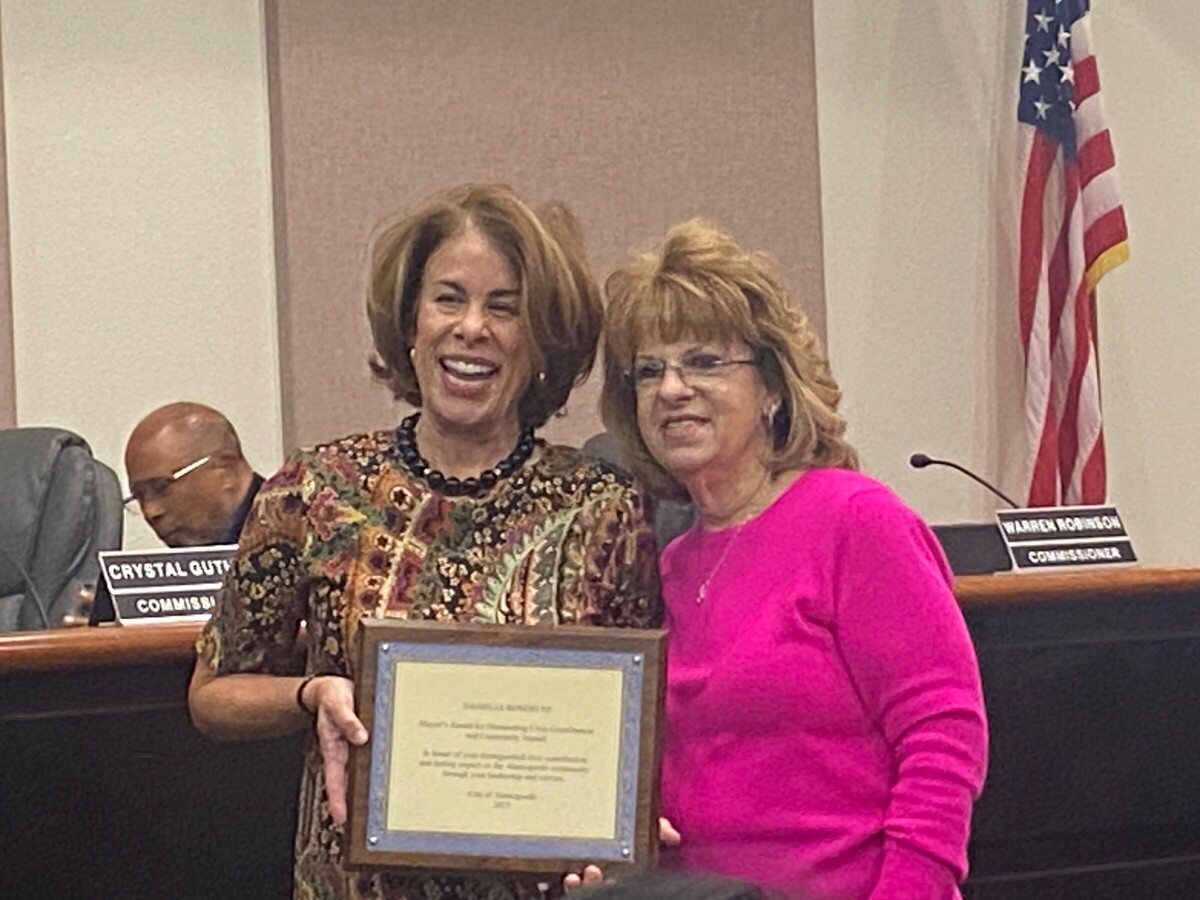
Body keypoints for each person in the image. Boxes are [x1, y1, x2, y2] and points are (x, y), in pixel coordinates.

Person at [187, 183, 662, 900]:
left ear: (540, 342)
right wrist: (312, 694)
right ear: (410, 323)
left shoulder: (603, 508)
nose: (472, 327)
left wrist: (613, 833)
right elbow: (213, 694)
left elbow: (639, 718)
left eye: (504, 307)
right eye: (448, 298)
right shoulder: (316, 489)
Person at [599, 220, 988, 899]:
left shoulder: (855, 521)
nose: (672, 388)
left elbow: (943, 734)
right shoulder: (664, 565)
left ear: (773, 389)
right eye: (650, 371)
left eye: (704, 361)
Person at [89, 402, 264, 624]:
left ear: (225, 470)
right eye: (139, 497)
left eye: (161, 487)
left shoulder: (296, 536)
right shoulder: (152, 586)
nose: (150, 512)